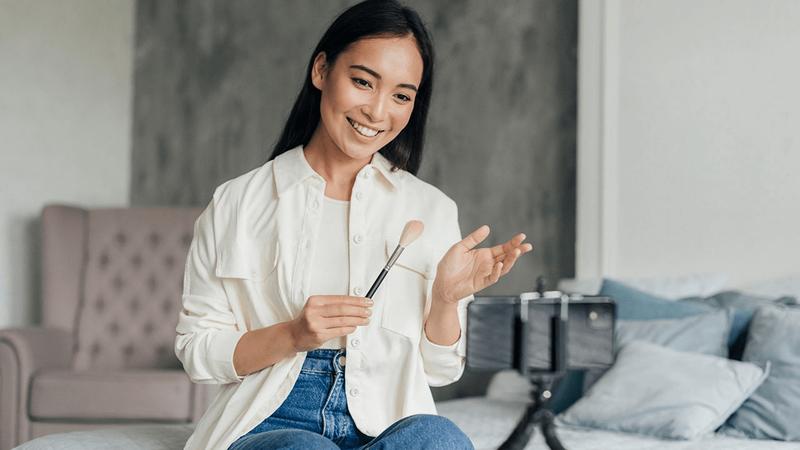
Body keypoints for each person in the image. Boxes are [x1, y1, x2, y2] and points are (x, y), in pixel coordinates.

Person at [175, 1, 533, 449]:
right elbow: (197, 352)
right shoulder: (237, 202)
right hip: (267, 423)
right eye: (363, 82)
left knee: (439, 438)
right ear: (322, 70)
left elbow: (441, 370)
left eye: (401, 95)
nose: (377, 112)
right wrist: (293, 335)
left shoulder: (432, 209)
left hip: (387, 421)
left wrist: (444, 300)